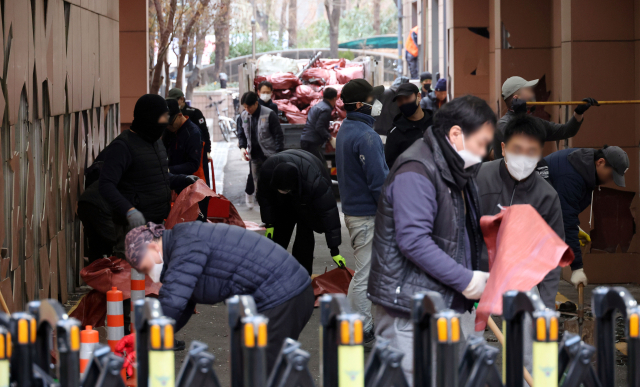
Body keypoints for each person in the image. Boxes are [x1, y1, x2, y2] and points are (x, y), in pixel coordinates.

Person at [367, 95, 495, 384]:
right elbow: (413, 240)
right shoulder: (417, 170)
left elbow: (459, 234)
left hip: (441, 301)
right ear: (456, 135)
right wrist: (466, 279)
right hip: (407, 310)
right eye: (482, 143)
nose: (485, 152)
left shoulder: (456, 169)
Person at [123, 221, 314, 373]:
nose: (149, 274)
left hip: (283, 296)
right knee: (252, 368)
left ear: (153, 248)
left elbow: (173, 301)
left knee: (262, 372)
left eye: (146, 267)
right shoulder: (182, 243)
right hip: (282, 296)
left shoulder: (186, 245)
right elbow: (182, 305)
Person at [476, 114, 564, 308]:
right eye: (517, 149)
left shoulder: (546, 197)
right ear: (503, 148)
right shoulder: (479, 179)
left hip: (520, 280)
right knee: (460, 333)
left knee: (529, 330)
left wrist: (546, 308)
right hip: (475, 275)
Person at [99, 94, 198, 257]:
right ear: (148, 118)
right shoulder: (122, 146)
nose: (166, 123)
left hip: (157, 224)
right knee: (133, 280)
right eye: (163, 117)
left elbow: (158, 177)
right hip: (131, 230)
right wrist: (129, 211)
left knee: (152, 278)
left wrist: (183, 179)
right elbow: (106, 185)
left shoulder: (156, 142)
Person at [335, 78, 387, 347]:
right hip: (367, 214)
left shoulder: (348, 128)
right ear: (359, 104)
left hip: (357, 212)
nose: (376, 104)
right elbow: (378, 182)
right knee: (365, 273)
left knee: (368, 271)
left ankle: (363, 324)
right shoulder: (366, 136)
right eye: (371, 98)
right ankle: (357, 329)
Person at [546, 144, 629, 289]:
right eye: (611, 175)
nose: (610, 180)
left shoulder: (585, 167)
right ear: (600, 162)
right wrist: (577, 267)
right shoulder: (572, 176)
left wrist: (574, 228)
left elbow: (565, 211)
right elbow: (566, 218)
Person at [257, 149, 343, 275]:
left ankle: (302, 276)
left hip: (307, 198)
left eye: (285, 190)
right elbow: (264, 198)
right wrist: (269, 223)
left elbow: (329, 214)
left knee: (304, 237)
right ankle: (271, 272)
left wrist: (334, 250)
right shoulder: (267, 171)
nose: (282, 192)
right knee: (279, 233)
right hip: (290, 193)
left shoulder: (316, 183)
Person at [493, 76, 598, 161]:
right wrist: (521, 117)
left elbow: (566, 131)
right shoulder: (502, 124)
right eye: (528, 90)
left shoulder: (535, 122)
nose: (532, 94)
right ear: (516, 98)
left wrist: (579, 112)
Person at [163, 99, 209, 220]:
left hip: (196, 187)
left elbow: (193, 165)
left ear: (179, 115)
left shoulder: (193, 133)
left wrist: (168, 170)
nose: (169, 127)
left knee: (197, 227)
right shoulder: (170, 131)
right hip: (178, 185)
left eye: (170, 124)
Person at [237, 91, 285, 200]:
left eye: (249, 107)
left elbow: (278, 135)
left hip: (270, 156)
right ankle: (263, 207)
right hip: (254, 156)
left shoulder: (269, 114)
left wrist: (278, 154)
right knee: (258, 185)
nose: (247, 110)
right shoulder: (243, 116)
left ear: (256, 103)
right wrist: (242, 148)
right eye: (245, 107)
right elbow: (241, 135)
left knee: (273, 183)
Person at [166, 88, 212, 187]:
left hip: (194, 182)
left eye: (170, 124)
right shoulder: (171, 129)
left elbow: (204, 132)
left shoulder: (193, 125)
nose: (168, 127)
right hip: (176, 180)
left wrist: (208, 150)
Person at [385, 83, 433, 167]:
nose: (404, 103)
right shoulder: (395, 133)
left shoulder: (436, 122)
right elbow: (390, 166)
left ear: (418, 96)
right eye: (400, 100)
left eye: (407, 98)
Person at [300, 87, 338, 166]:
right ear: (335, 98)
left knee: (311, 165)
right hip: (312, 143)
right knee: (321, 166)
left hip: (306, 140)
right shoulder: (326, 109)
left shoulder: (316, 106)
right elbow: (319, 127)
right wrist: (330, 138)